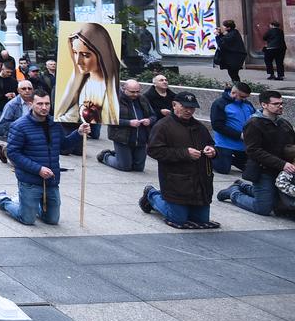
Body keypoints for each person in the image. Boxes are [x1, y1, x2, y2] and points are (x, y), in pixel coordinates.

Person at [0, 90, 90, 226]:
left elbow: (63, 146)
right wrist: (38, 169)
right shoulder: (19, 126)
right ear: (30, 104)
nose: (44, 107)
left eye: (47, 104)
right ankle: (4, 200)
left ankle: (28, 204)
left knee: (52, 220)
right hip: (30, 180)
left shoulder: (55, 123)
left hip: (51, 179)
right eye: (39, 104)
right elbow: (13, 153)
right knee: (27, 219)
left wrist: (78, 133)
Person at [141, 92, 220, 229]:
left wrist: (212, 150)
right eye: (185, 107)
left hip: (200, 181)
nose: (189, 111)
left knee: (201, 220)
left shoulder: (199, 127)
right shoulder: (163, 126)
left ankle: (175, 204)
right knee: (178, 219)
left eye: (192, 108)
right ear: (174, 105)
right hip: (175, 180)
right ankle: (152, 195)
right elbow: (153, 150)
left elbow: (210, 143)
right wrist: (184, 153)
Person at [219, 90, 295, 216]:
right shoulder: (254, 124)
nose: (280, 106)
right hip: (263, 171)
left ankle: (243, 186)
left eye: (281, 104)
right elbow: (254, 151)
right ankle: (234, 192)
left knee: (279, 206)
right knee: (263, 208)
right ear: (264, 105)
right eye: (276, 104)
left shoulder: (283, 123)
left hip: (282, 171)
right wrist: (283, 164)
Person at [56, 23, 121, 126]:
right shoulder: (81, 84)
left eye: (85, 55)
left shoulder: (114, 86)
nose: (78, 61)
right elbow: (73, 113)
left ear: (102, 54)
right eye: (75, 53)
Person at [99, 79, 156, 172]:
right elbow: (108, 119)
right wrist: (129, 123)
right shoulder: (115, 99)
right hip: (122, 138)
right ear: (124, 89)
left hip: (141, 138)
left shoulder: (143, 99)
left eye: (138, 91)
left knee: (138, 168)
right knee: (124, 166)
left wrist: (149, 120)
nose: (135, 94)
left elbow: (153, 115)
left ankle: (120, 155)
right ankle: (105, 156)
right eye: (132, 92)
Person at [210, 83, 255, 175]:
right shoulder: (219, 103)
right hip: (225, 144)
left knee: (250, 170)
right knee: (223, 170)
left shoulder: (247, 104)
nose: (244, 99)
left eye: (246, 97)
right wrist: (239, 135)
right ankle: (211, 156)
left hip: (243, 145)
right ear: (234, 93)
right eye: (242, 96)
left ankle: (231, 160)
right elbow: (217, 126)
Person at [214, 19, 247, 84]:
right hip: (235, 57)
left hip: (234, 57)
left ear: (228, 27)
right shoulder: (233, 32)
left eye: (224, 26)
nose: (223, 27)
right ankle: (237, 85)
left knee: (233, 73)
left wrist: (217, 36)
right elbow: (225, 39)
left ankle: (237, 86)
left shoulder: (232, 34)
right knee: (233, 73)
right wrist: (220, 34)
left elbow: (222, 43)